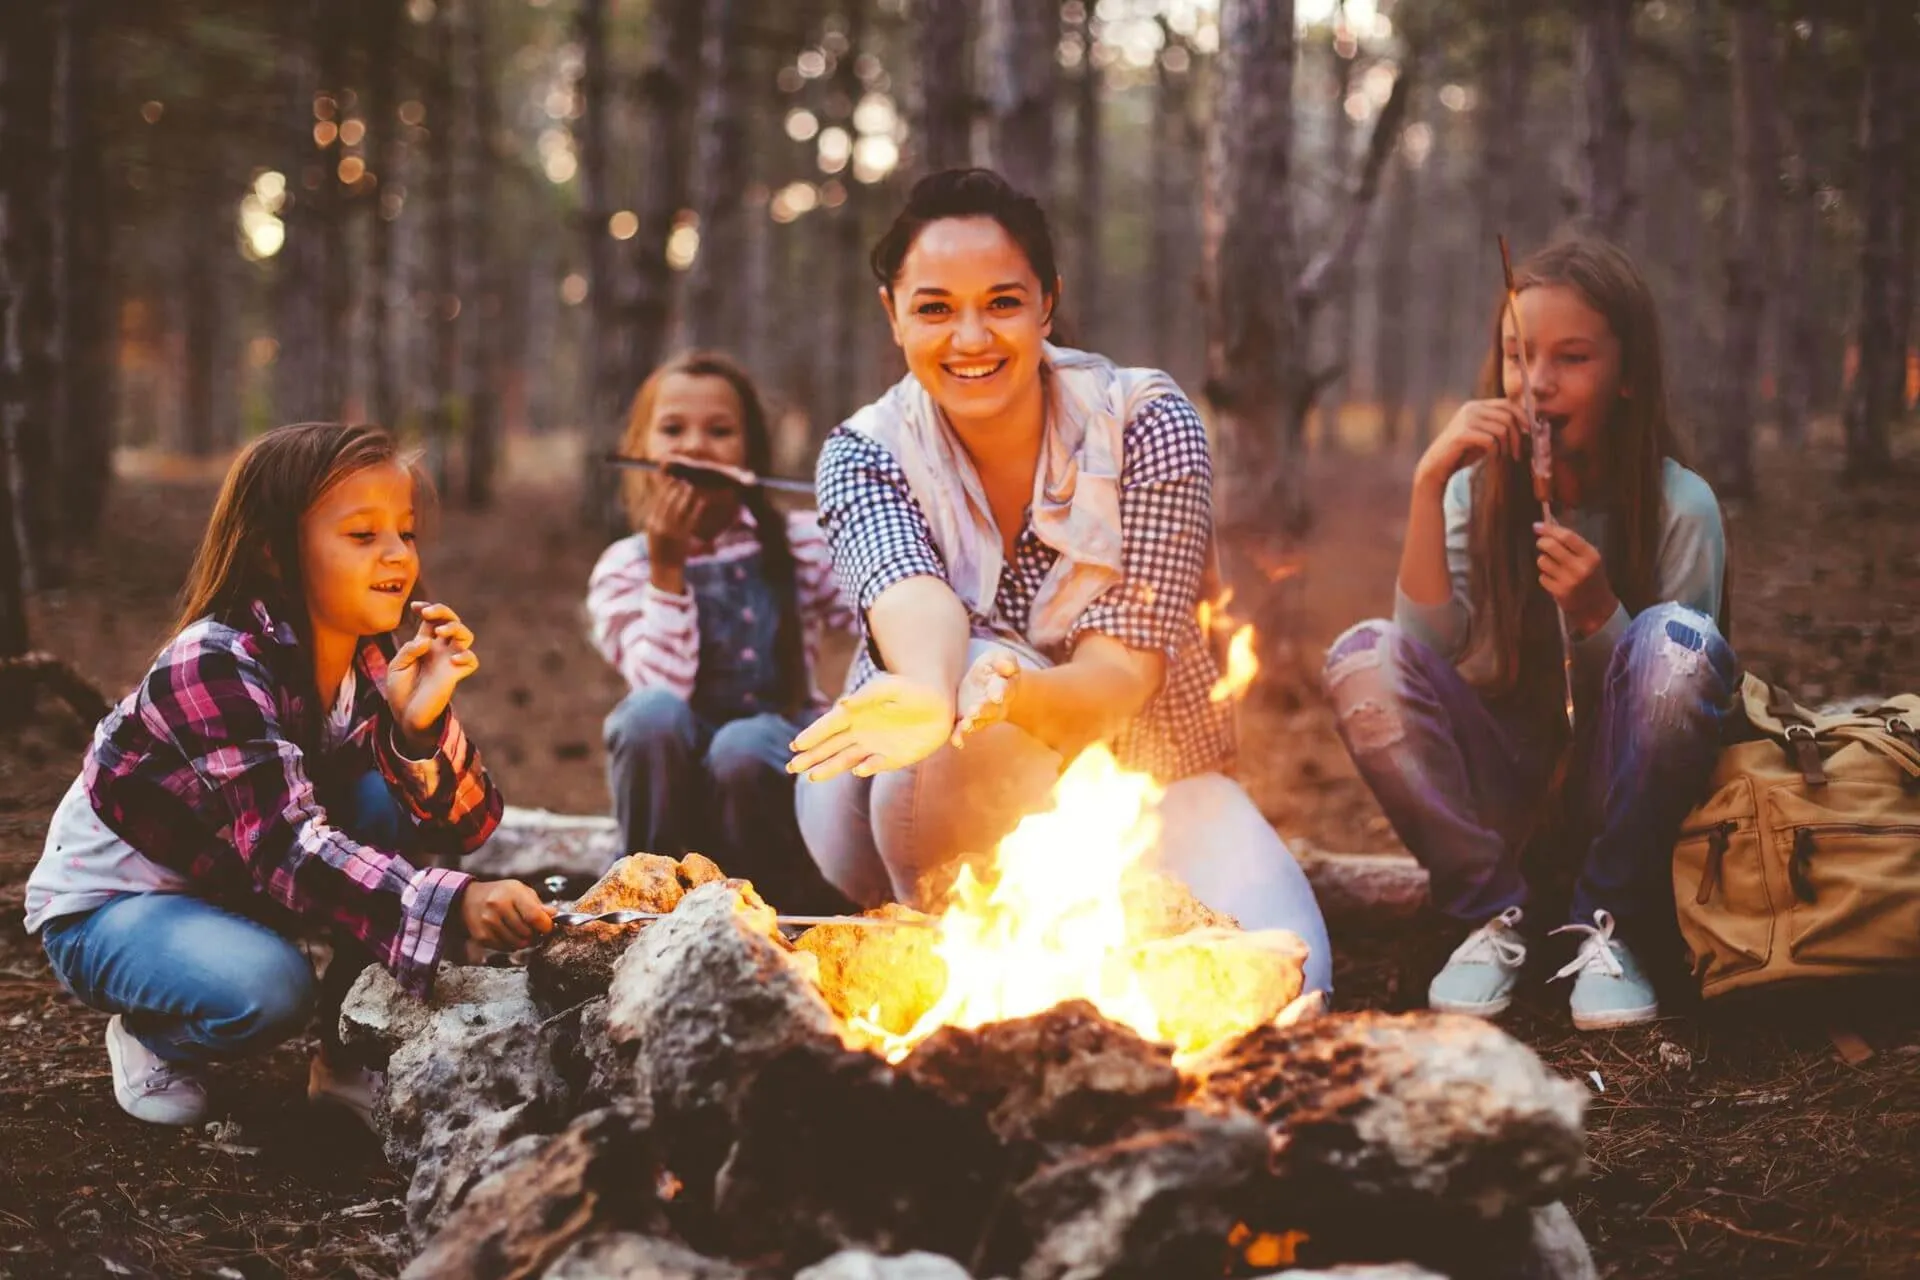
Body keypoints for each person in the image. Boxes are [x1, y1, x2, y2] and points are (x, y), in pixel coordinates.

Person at [788, 168, 1333, 995]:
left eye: (1002, 302)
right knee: (951, 705)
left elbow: (1121, 677)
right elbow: (911, 594)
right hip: (896, 800)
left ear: (1048, 303)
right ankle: (941, 963)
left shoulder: (1146, 421)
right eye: (935, 307)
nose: (970, 338)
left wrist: (1006, 696)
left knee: (1297, 979)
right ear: (892, 313)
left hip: (1140, 769)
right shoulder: (862, 452)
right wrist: (938, 689)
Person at [24, 423, 551, 1128]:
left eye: (406, 532)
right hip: (114, 911)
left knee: (388, 796)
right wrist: (455, 905)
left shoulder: (369, 662)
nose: (397, 554)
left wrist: (418, 729)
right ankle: (151, 1035)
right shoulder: (212, 663)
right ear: (275, 551)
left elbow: (467, 825)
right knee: (269, 987)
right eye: (362, 536)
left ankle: (344, 1057)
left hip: (231, 881)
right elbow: (284, 847)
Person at [1323, 236, 1738, 1030]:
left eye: (1571, 358)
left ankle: (1608, 919)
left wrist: (1596, 618)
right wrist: (1427, 484)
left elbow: (1677, 713)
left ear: (1627, 376)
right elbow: (1418, 654)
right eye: (1518, 356)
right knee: (1361, 657)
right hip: (1507, 790)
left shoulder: (1681, 508)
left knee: (1675, 643)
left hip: (1627, 806)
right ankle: (1492, 912)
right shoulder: (1476, 493)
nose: (1537, 383)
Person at [588, 350, 855, 911]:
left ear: (750, 453)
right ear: (641, 452)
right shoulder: (625, 567)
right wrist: (667, 570)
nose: (695, 446)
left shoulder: (802, 541)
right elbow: (662, 690)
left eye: (720, 431)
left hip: (771, 769)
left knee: (740, 745)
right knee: (647, 716)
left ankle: (778, 909)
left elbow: (876, 613)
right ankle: (642, 898)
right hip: (677, 786)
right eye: (672, 429)